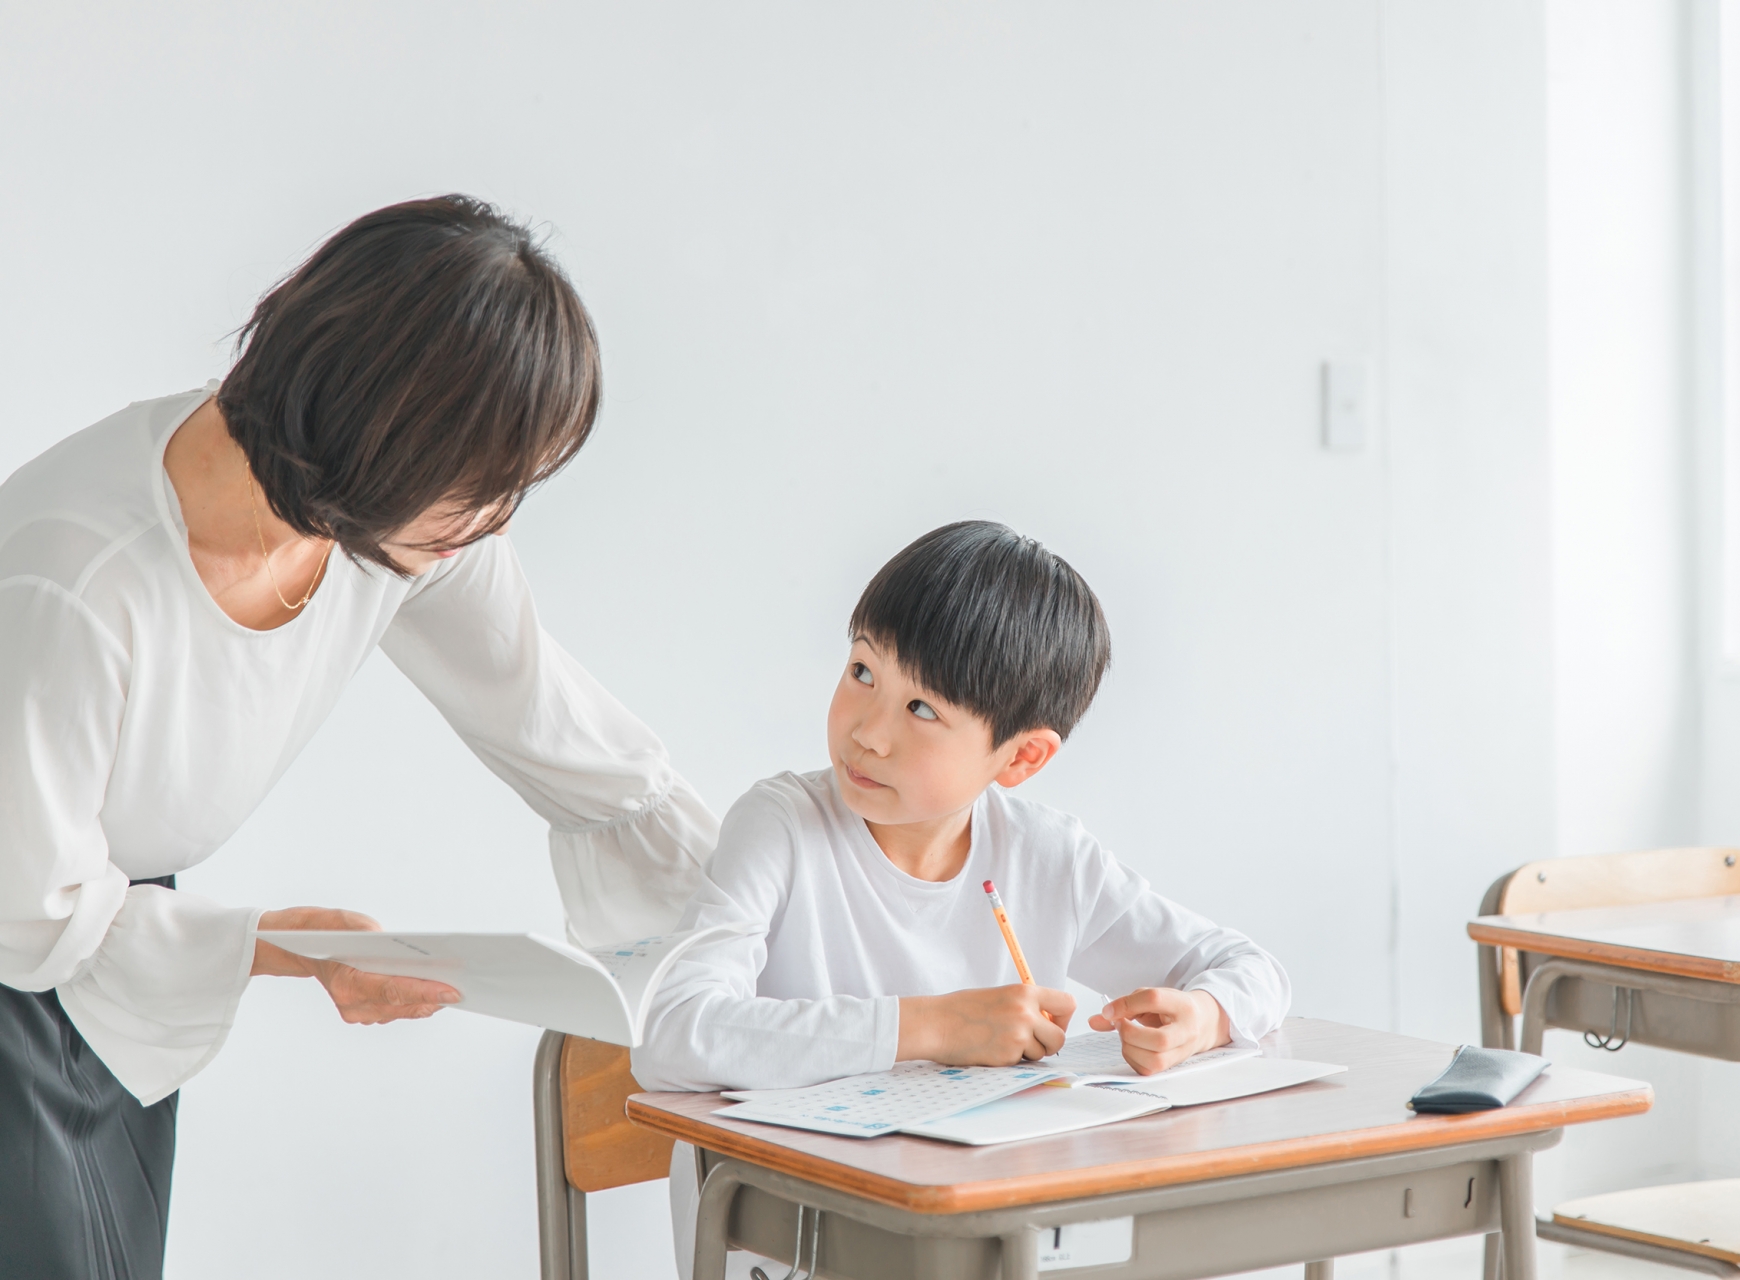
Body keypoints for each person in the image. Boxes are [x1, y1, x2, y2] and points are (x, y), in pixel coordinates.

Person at [0, 196, 718, 1280]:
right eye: (485, 483)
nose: (497, 520)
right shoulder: (76, 581)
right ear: (387, 437)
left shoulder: (394, 527)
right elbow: (27, 913)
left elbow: (564, 736)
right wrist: (291, 945)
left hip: (106, 955)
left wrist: (767, 916)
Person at [632, 519, 1289, 1278]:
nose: (869, 733)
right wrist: (933, 1025)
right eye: (863, 672)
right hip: (796, 1234)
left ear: (1020, 757)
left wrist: (1206, 1015)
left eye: (922, 711)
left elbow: (1245, 964)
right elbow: (671, 1037)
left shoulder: (1047, 854)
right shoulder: (782, 826)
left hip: (983, 1231)